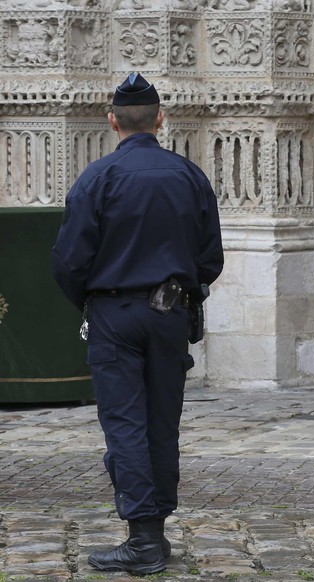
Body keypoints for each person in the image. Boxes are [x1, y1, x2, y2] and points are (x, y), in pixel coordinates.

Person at [51, 73, 224, 574]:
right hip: (169, 312)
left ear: (111, 121)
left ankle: (144, 537)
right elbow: (210, 256)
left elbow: (68, 259)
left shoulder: (98, 177)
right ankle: (155, 531)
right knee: (161, 420)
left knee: (126, 422)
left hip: (114, 312)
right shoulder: (189, 176)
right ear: (160, 119)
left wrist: (92, 301)